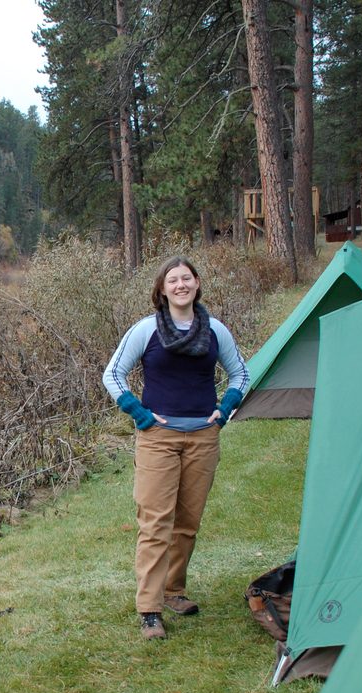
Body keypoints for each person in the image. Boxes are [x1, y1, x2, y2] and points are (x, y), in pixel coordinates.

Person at [102, 255, 249, 640]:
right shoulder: (146, 330)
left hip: (203, 436)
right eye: (173, 280)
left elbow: (241, 372)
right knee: (155, 524)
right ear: (162, 289)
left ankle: (173, 591)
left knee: (187, 523)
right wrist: (140, 414)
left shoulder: (216, 330)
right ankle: (149, 610)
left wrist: (225, 407)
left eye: (187, 278)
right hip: (158, 440)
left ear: (197, 284)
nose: (181, 285)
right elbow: (113, 374)